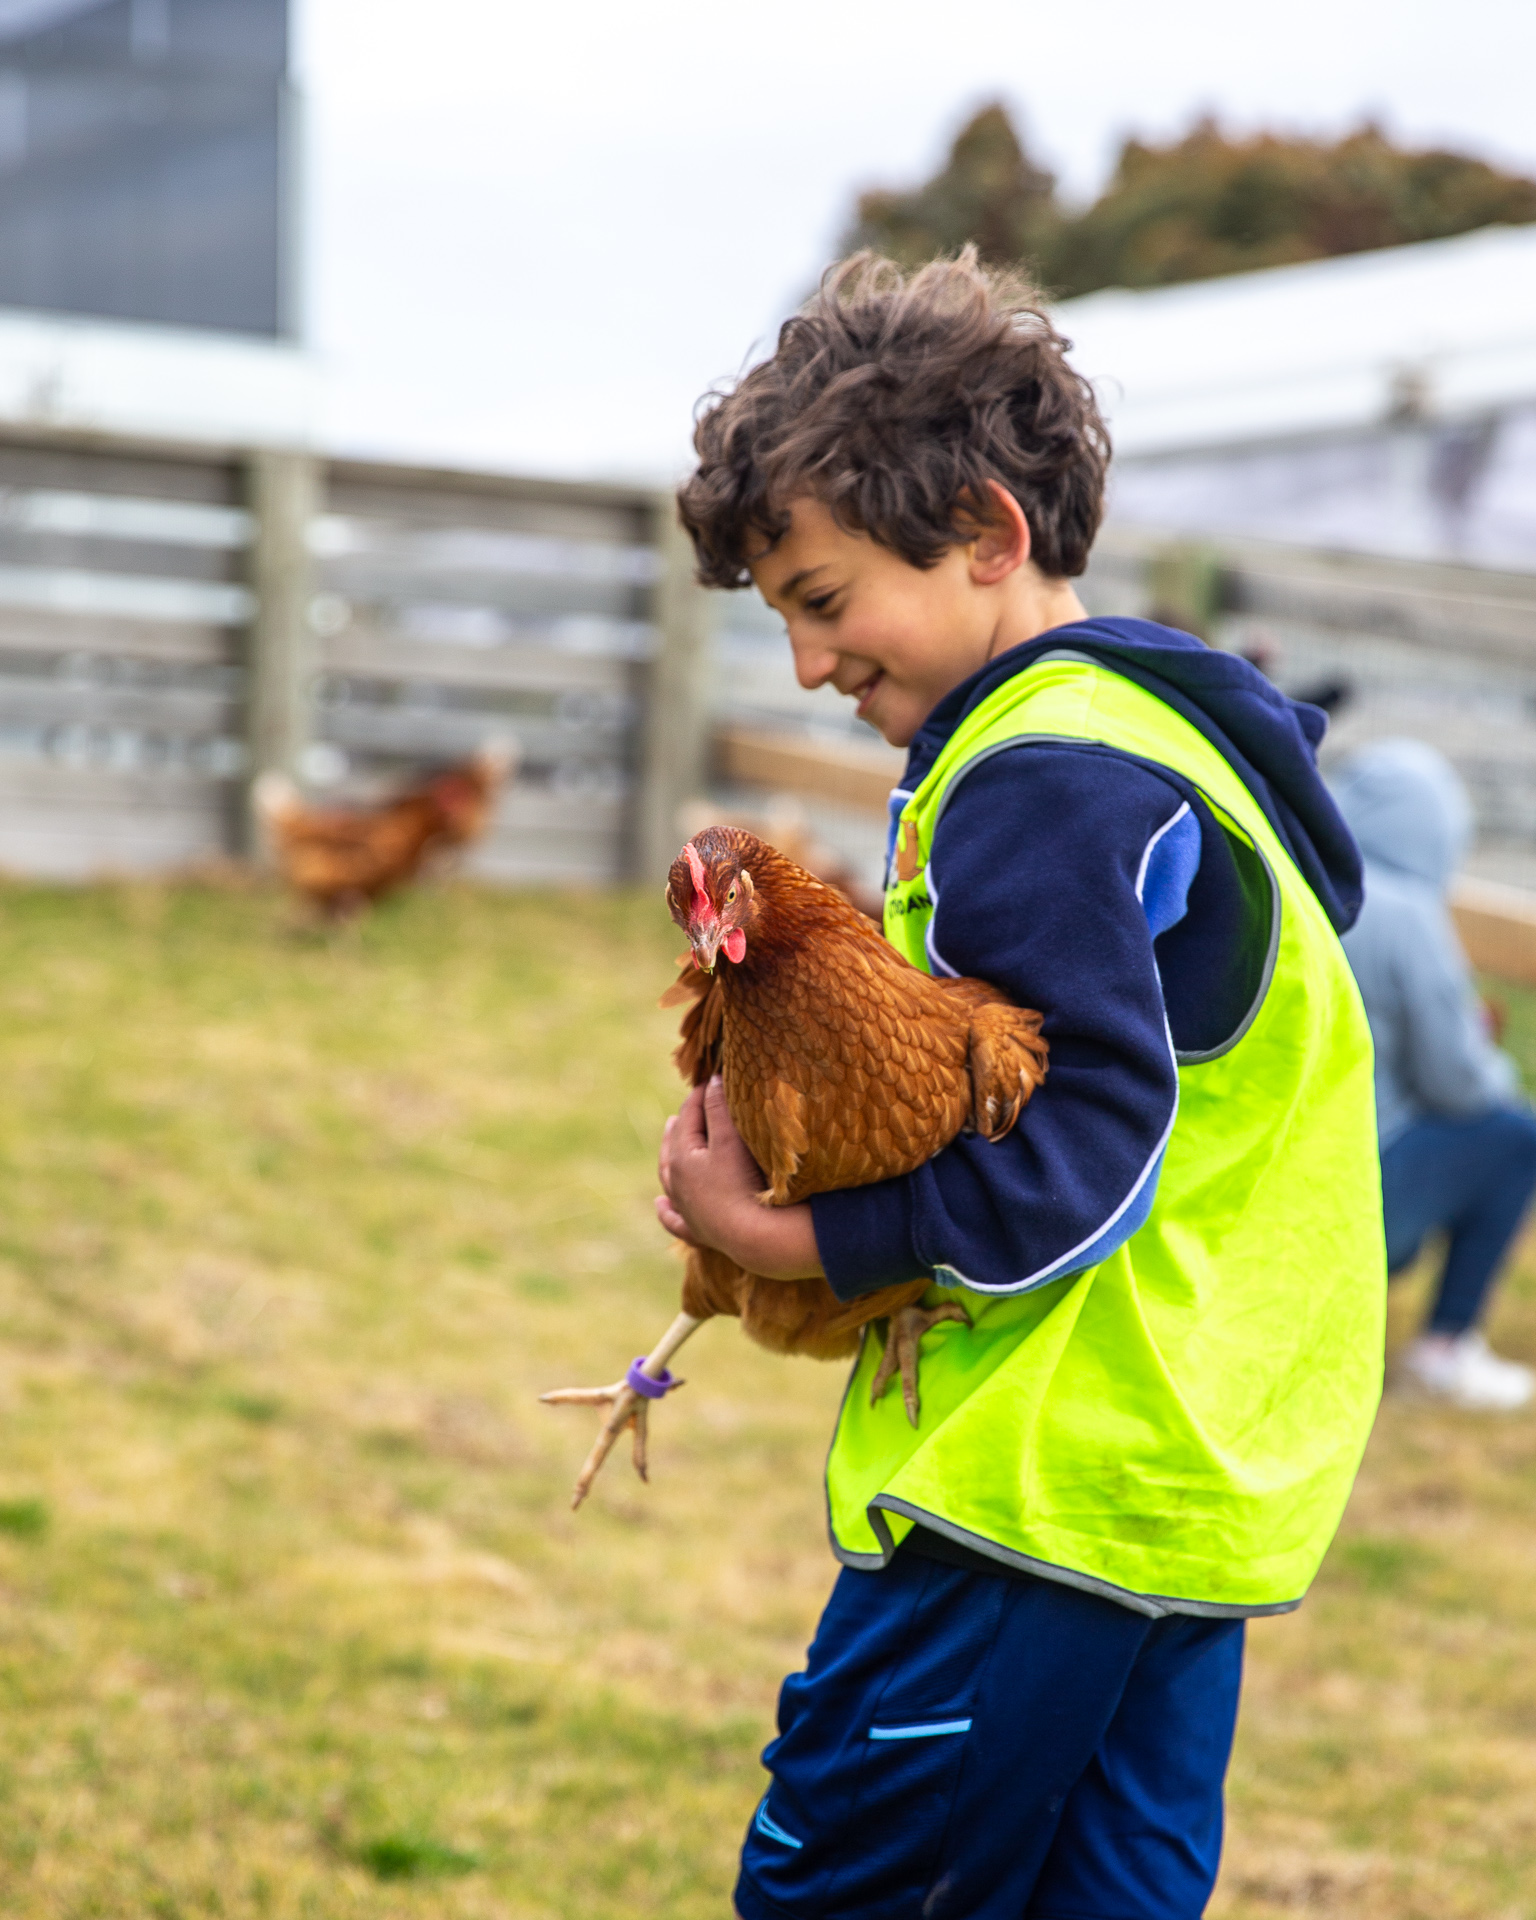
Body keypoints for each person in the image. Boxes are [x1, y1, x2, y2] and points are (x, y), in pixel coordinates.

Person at [659, 250, 1384, 1920]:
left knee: (850, 1890)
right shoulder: (1161, 739)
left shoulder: (1043, 775)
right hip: (1182, 1474)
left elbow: (1082, 1152)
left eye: (824, 600)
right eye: (782, 619)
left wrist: (794, 1246)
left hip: (1038, 1478)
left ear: (986, 533)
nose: (807, 664)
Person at [1332, 739, 1536, 1411]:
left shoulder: (1303, 879)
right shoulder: (1407, 917)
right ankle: (1445, 1349)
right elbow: (1461, 1085)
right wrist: (1491, 1055)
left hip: (1265, 1177)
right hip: (1352, 1193)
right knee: (1513, 1136)